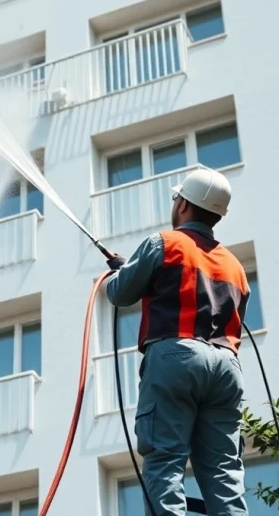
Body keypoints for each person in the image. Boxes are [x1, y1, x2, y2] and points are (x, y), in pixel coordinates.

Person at [105, 167, 250, 516]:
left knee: (165, 458)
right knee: (224, 470)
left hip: (176, 358)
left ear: (183, 203)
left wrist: (124, 273)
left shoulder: (164, 243)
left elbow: (119, 293)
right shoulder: (235, 265)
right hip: (226, 366)